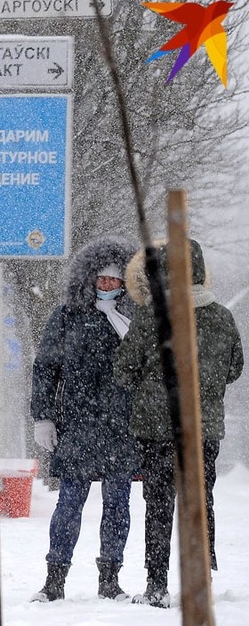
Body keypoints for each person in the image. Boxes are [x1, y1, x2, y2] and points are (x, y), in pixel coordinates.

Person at [113, 239, 244, 608]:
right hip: (203, 428)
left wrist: (151, 383)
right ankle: (200, 578)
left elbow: (123, 370)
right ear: (200, 269)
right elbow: (234, 368)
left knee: (158, 505)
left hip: (157, 429)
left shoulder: (152, 315)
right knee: (199, 500)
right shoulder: (221, 316)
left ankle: (157, 584)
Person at [29, 235, 139, 602]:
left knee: (118, 506)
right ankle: (54, 579)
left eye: (115, 280)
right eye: (102, 279)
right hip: (77, 425)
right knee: (69, 505)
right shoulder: (66, 316)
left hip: (122, 427)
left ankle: (110, 578)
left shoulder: (134, 320)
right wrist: (43, 417)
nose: (108, 285)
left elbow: (154, 370)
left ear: (126, 282)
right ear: (89, 278)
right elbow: (45, 368)